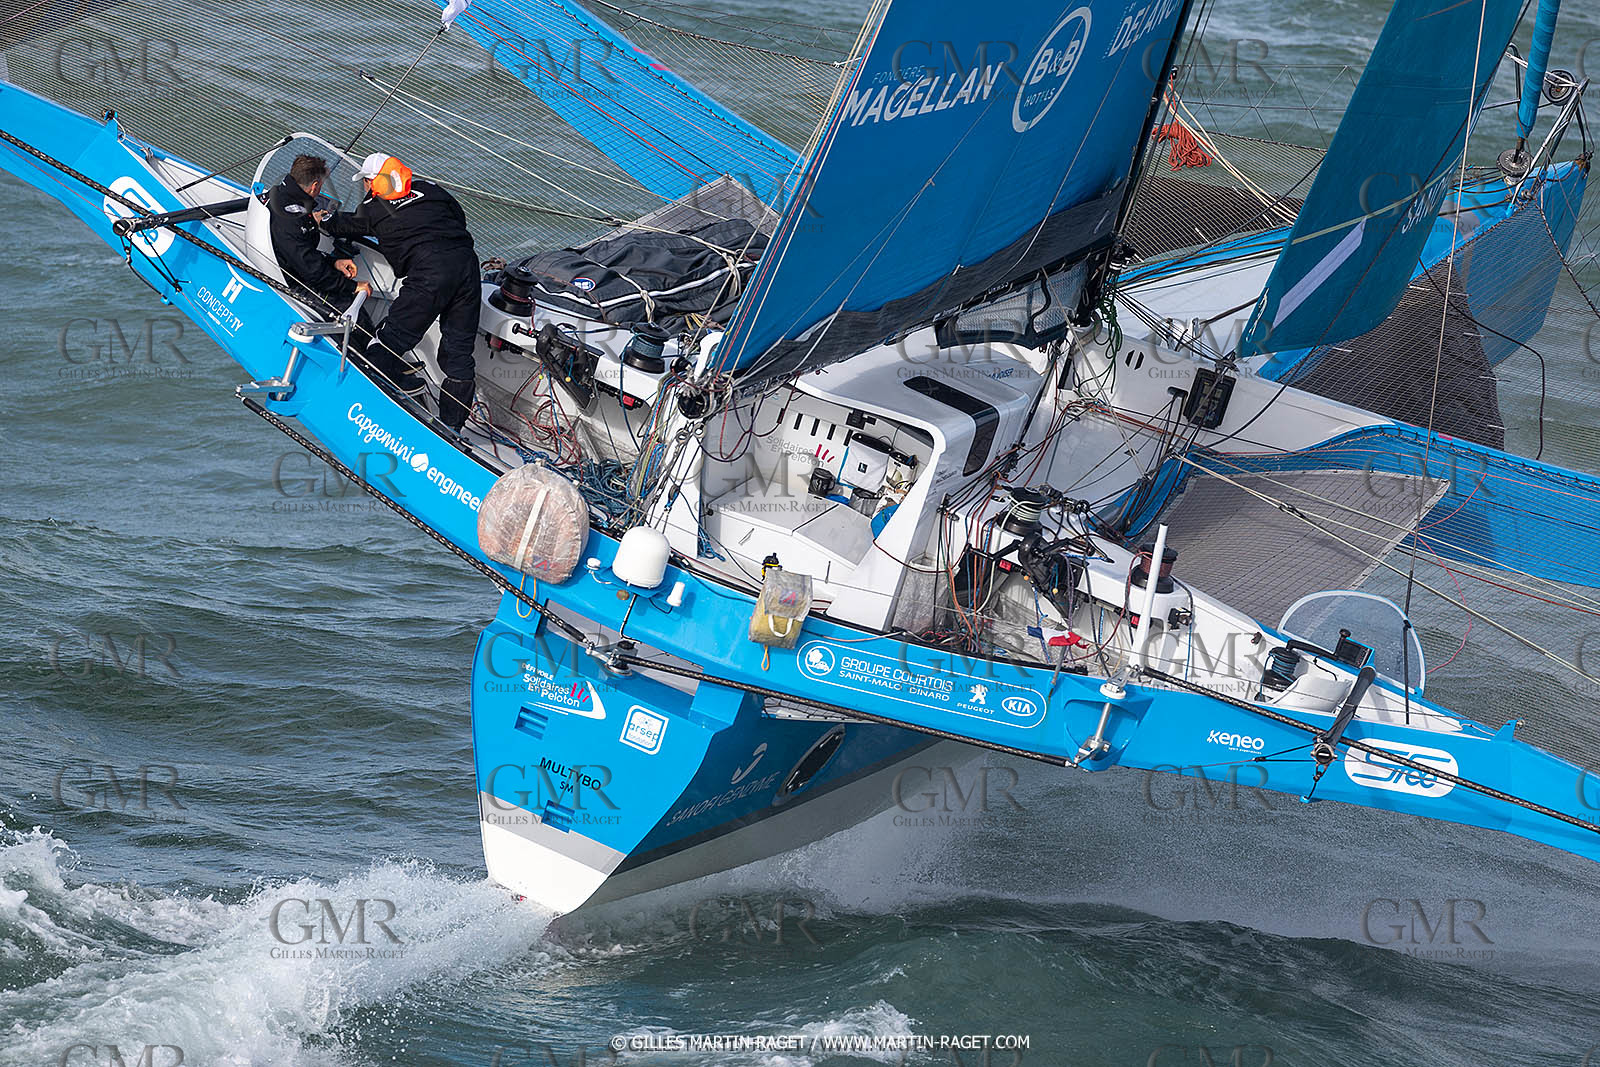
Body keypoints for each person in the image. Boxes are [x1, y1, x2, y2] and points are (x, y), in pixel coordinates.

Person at [323, 152, 481, 432]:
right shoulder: (430, 189)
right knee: (459, 354)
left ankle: (365, 411)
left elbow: (343, 224)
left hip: (429, 273)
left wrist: (321, 219)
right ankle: (452, 430)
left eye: (367, 183)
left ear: (373, 183)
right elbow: (459, 217)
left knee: (390, 338)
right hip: (466, 265)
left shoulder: (375, 206)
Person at [266, 155, 373, 344]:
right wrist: (353, 286)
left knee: (346, 295)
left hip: (290, 265)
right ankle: (375, 364)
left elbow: (302, 253)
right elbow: (313, 271)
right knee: (352, 312)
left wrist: (334, 262)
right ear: (315, 186)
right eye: (321, 185)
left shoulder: (280, 193)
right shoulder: (292, 221)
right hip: (293, 283)